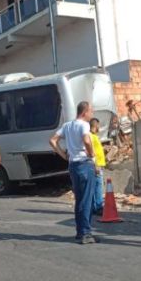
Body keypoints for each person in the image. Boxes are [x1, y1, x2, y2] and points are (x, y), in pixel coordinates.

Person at [50, 101, 98, 245]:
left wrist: (63, 155)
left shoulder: (67, 125)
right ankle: (86, 233)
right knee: (87, 200)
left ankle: (80, 231)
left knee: (79, 199)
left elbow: (52, 140)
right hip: (84, 163)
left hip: (73, 164)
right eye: (91, 111)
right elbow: (87, 141)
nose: (92, 114)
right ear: (85, 112)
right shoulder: (84, 125)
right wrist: (91, 154)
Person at [89, 118, 106, 216]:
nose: (99, 127)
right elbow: (92, 152)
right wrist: (95, 165)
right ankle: (98, 207)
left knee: (96, 186)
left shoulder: (94, 136)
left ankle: (95, 207)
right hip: (96, 166)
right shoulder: (91, 137)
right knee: (98, 186)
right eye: (98, 125)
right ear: (96, 125)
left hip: (98, 165)